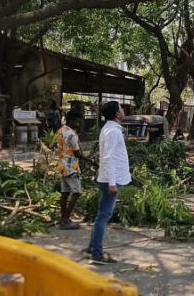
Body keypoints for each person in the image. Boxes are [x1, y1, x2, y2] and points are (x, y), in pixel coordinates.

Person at [86, 100, 132, 264]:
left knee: (101, 215)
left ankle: (92, 247)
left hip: (109, 178)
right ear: (117, 113)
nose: (123, 109)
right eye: (121, 107)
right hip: (111, 180)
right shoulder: (112, 131)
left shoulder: (109, 129)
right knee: (103, 216)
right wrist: (112, 183)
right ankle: (96, 254)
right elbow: (108, 157)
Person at [55, 109, 90, 229]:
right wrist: (92, 162)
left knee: (64, 193)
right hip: (71, 167)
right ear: (71, 120)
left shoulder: (60, 131)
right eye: (77, 122)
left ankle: (63, 218)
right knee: (76, 193)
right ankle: (65, 220)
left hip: (62, 166)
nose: (78, 124)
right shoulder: (71, 134)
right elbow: (77, 154)